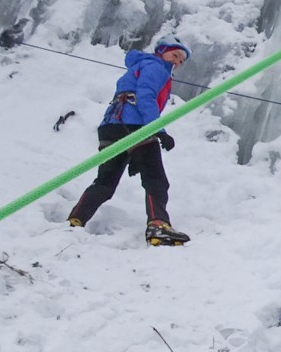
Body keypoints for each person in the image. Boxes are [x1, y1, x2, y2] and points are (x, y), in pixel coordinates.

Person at [67, 36, 192, 245]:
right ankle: (158, 225)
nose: (177, 62)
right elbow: (146, 96)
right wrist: (158, 130)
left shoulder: (140, 65)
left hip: (111, 127)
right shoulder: (156, 67)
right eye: (175, 55)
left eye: (181, 60)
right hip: (134, 127)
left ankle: (75, 220)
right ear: (161, 51)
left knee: (105, 183)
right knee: (155, 179)